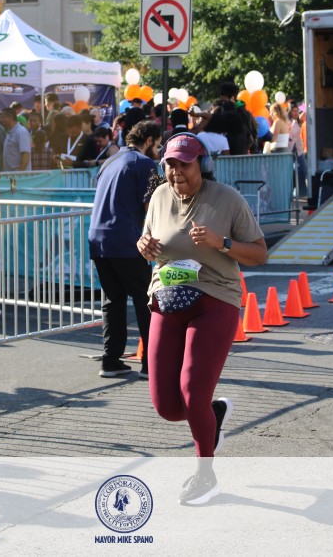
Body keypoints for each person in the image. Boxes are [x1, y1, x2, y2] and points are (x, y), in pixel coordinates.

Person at [137, 133, 267, 505]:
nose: (177, 171)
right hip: (167, 296)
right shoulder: (159, 197)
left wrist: (222, 243)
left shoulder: (228, 199)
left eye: (186, 163)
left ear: (202, 164)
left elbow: (260, 254)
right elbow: (148, 241)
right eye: (171, 164)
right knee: (167, 406)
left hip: (215, 297)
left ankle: (206, 475)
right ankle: (213, 415)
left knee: (193, 392)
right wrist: (143, 246)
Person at [89, 120, 162, 379]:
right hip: (126, 240)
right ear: (149, 140)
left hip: (99, 240)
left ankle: (110, 361)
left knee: (113, 300)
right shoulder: (145, 163)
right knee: (146, 301)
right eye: (158, 144)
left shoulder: (109, 161)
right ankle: (151, 364)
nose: (158, 150)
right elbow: (152, 206)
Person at [0, 107, 32, 172]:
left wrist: (19, 174)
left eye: (3, 117)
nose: (1, 120)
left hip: (19, 176)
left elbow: (25, 154)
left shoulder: (21, 132)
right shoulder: (9, 132)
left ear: (10, 118)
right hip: (11, 175)